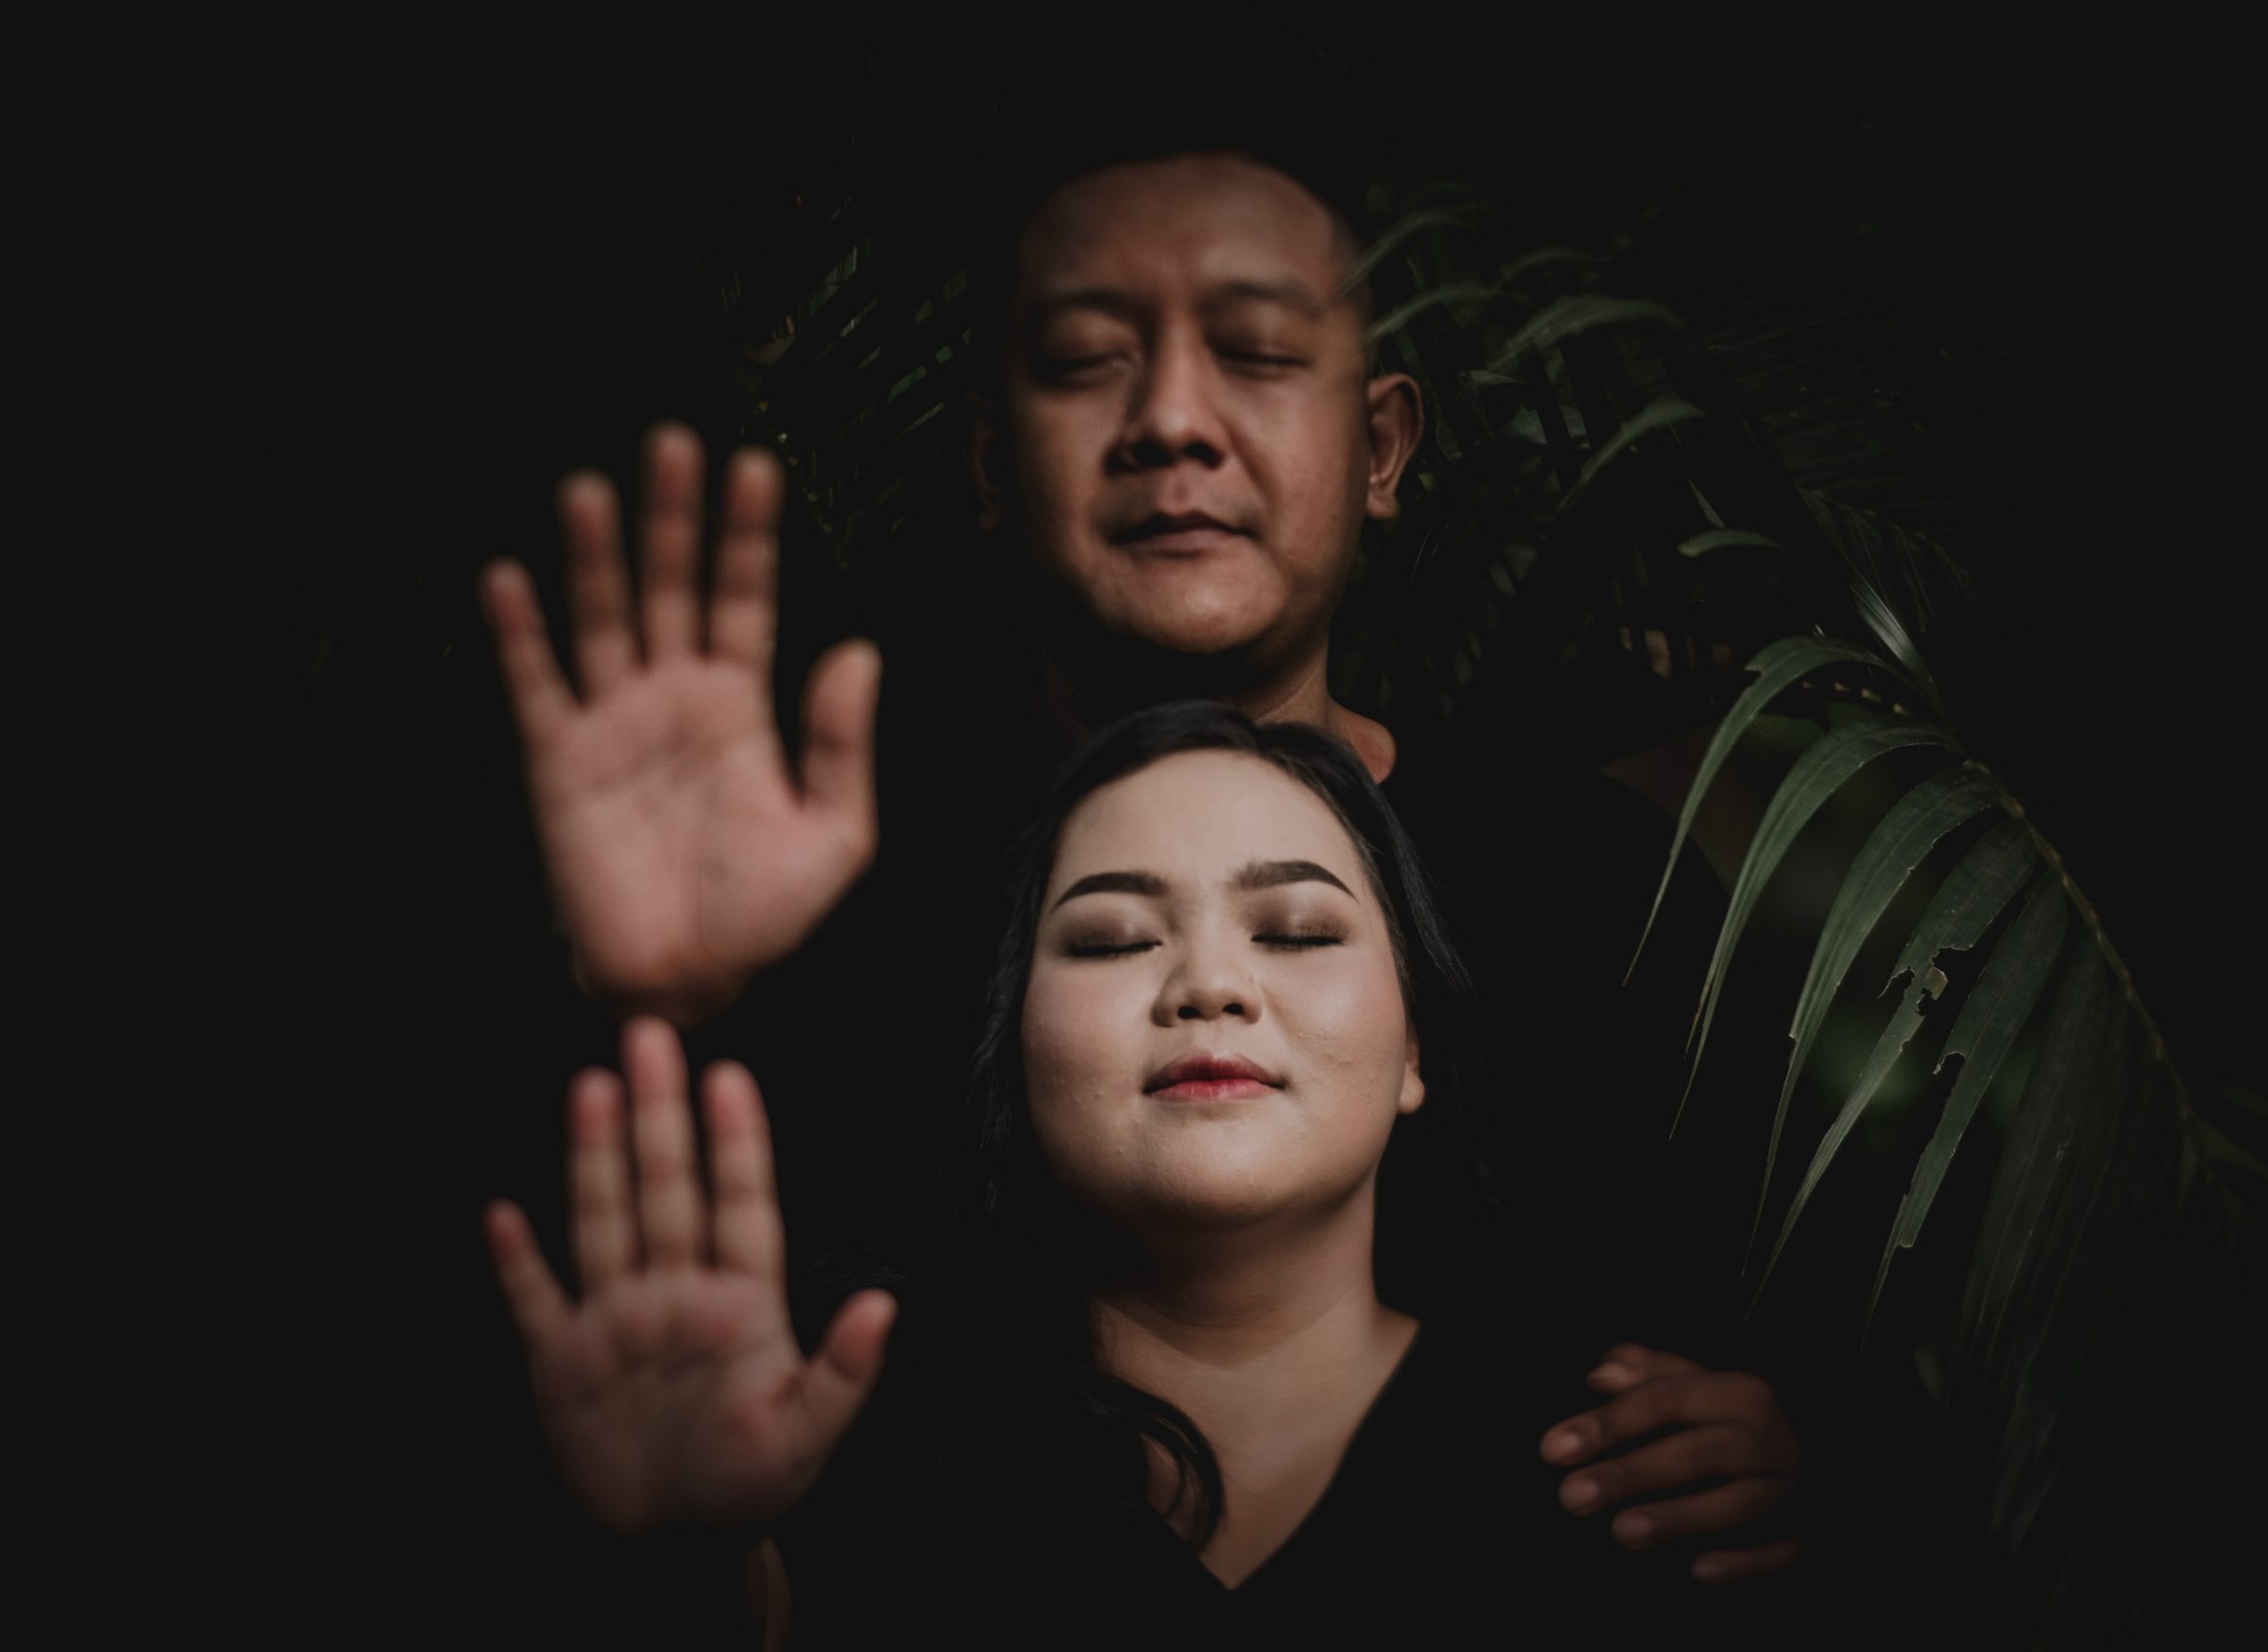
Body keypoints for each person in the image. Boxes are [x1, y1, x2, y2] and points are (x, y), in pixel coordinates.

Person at [479, 141, 1803, 1587]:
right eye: (1085, 363)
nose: (1173, 420)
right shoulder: (818, 888)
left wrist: (1800, 1454)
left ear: (1380, 447)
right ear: (993, 460)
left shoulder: (1601, 885)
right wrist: (653, 1000)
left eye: (1258, 353)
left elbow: (1854, 1345)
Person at [486, 700, 1799, 1642]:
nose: (1210, 984)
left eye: (1297, 929)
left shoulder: (1626, 1469)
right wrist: (678, 1553)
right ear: (1014, 1047)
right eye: (1113, 939)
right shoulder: (852, 1441)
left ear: (1414, 1048)